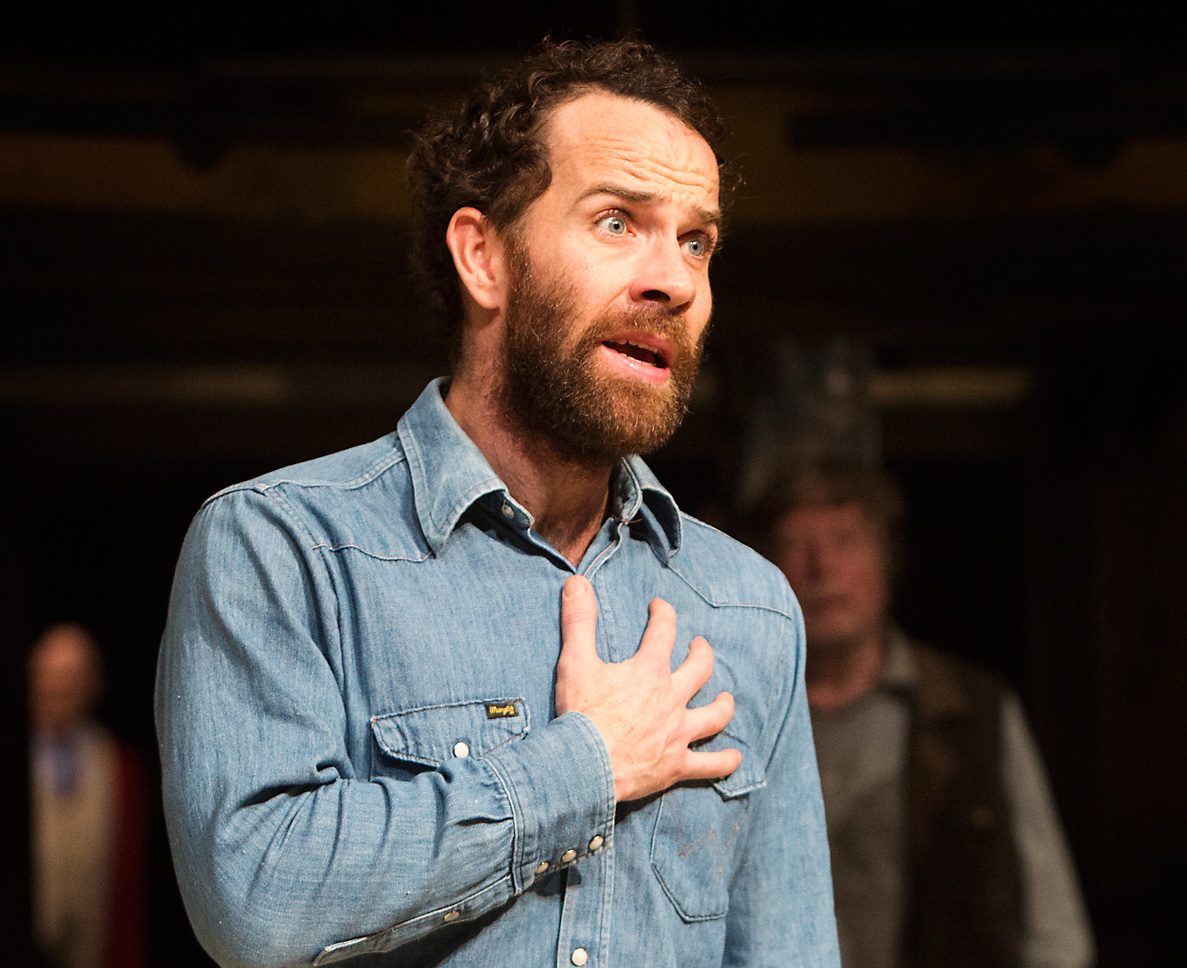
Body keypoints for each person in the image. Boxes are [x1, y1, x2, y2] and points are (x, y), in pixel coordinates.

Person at [156, 40, 837, 968]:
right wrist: (586, 766)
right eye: (615, 223)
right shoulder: (286, 547)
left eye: (696, 241)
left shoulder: (749, 607)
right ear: (483, 258)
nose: (674, 280)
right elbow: (257, 899)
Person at [745, 465, 1094, 968]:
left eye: (847, 540)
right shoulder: (735, 715)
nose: (822, 567)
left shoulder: (970, 709)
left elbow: (1052, 925)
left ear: (886, 560)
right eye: (796, 543)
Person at [31, 623, 147, 968]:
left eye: (71, 676)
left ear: (93, 684)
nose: (58, 687)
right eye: (48, 674)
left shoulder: (118, 766)